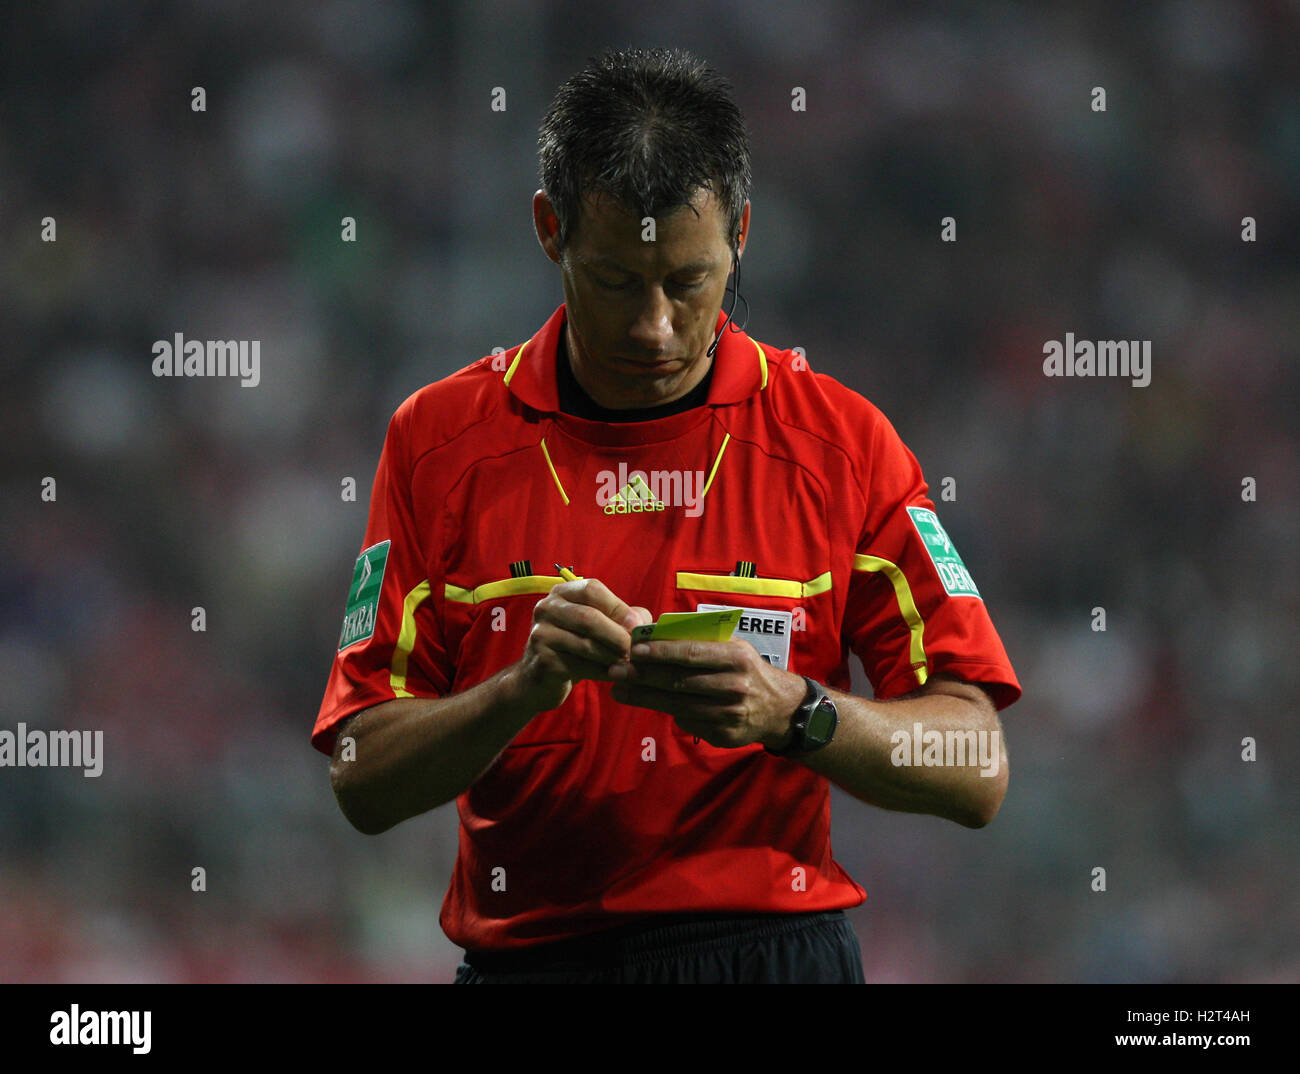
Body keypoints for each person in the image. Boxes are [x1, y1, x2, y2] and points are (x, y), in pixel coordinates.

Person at [311, 47, 1022, 984]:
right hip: (534, 964)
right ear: (548, 229)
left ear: (743, 237)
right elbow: (360, 773)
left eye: (688, 283)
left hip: (772, 960)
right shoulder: (438, 444)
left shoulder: (844, 446)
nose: (653, 326)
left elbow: (975, 766)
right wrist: (518, 692)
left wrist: (796, 713)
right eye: (614, 282)